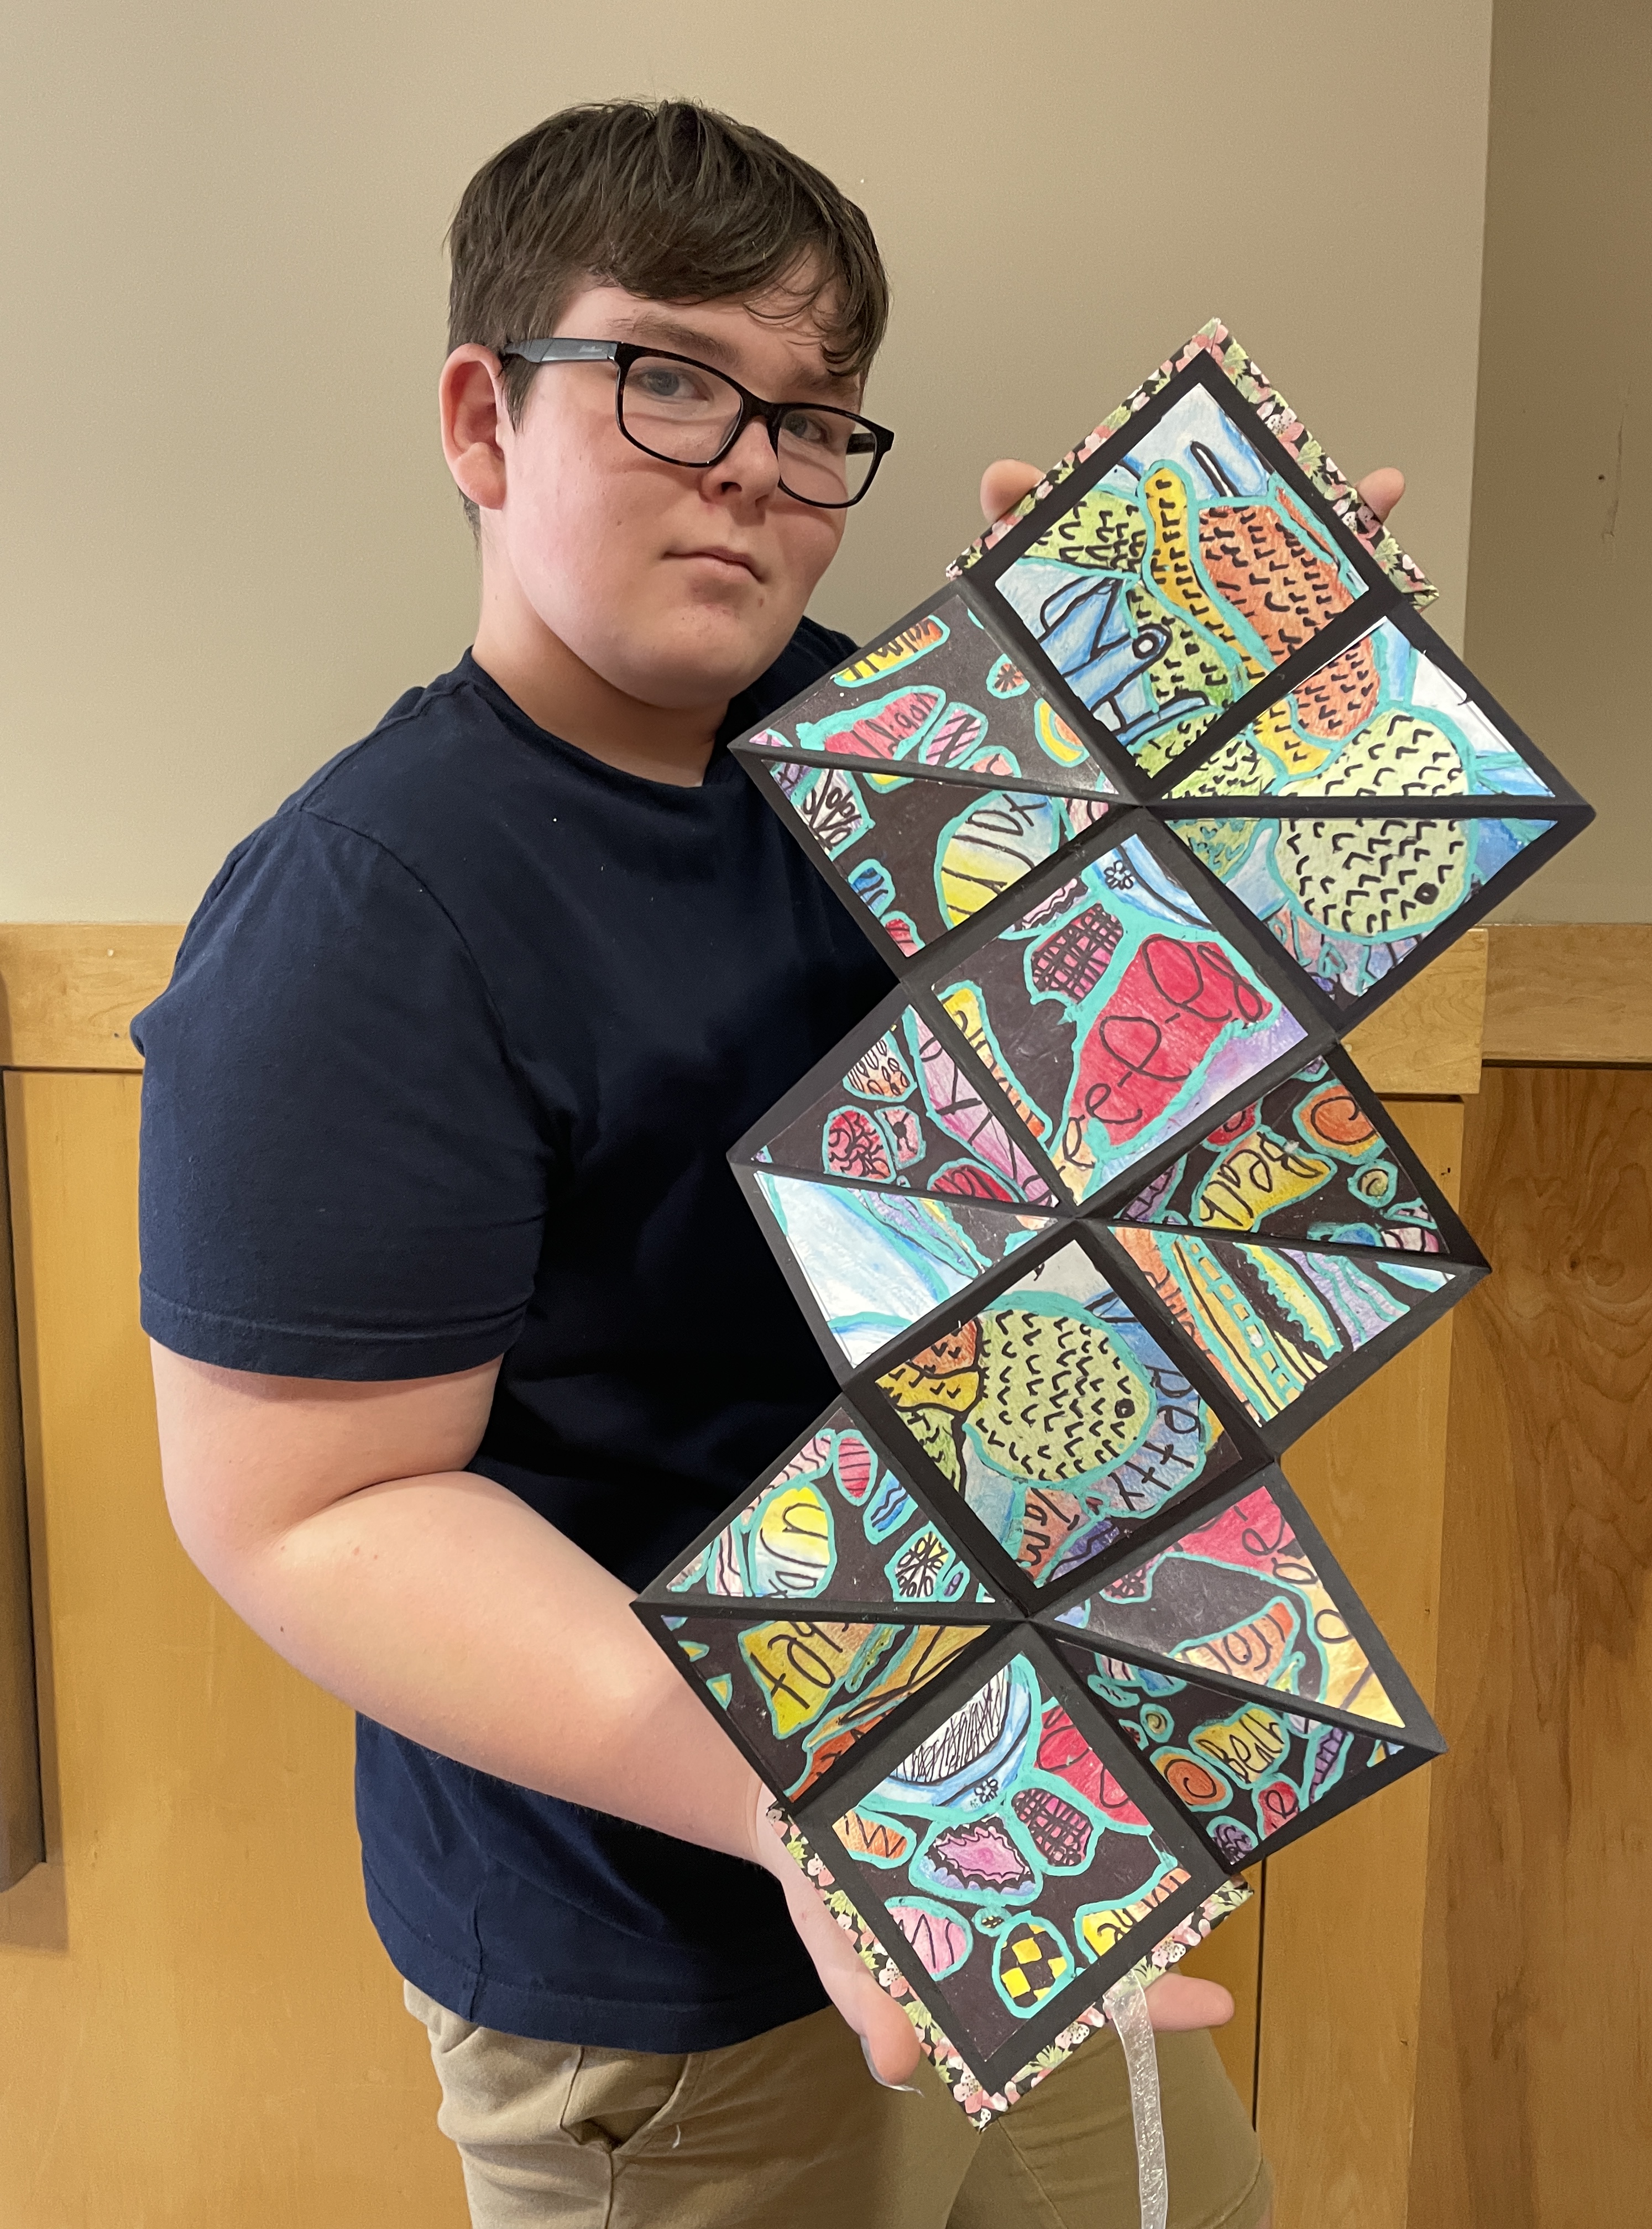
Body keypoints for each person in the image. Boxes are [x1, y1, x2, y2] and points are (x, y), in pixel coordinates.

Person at [138, 97, 1402, 2228]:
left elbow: (1130, 1136)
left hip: (1020, 1819)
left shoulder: (923, 751)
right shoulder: (366, 910)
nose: (753, 462)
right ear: (484, 419)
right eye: (671, 379)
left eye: (813, 416)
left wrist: (1218, 783)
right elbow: (309, 1510)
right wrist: (816, 1801)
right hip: (668, 1965)